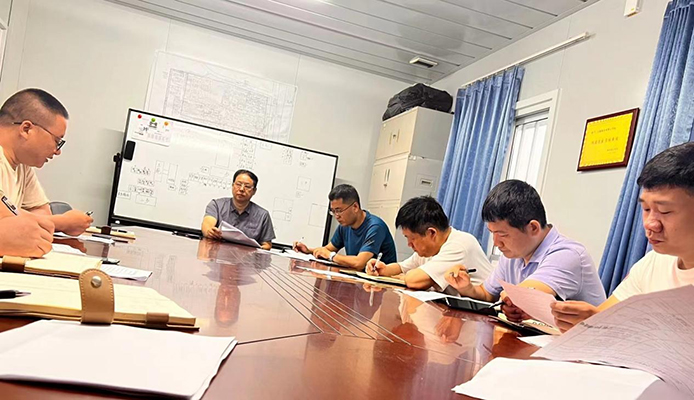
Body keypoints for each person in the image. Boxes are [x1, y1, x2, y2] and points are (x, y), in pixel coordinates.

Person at [552, 142, 694, 332]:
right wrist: (585, 323)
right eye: (646, 209)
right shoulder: (653, 262)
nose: (650, 224)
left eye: (665, 211)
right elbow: (604, 316)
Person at [445, 180, 606, 322]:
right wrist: (466, 287)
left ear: (533, 228)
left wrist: (511, 299)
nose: (496, 243)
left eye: (503, 234)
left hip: (582, 344)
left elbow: (525, 295)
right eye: (492, 233)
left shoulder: (568, 254)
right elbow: (487, 295)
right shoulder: (513, 254)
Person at [0, 89, 93, 235]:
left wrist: (25, 219)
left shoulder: (22, 166)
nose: (57, 151)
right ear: (26, 129)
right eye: (57, 141)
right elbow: (6, 220)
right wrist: (64, 222)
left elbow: (42, 212)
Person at [365, 196, 493, 293]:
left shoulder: (459, 245)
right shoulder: (429, 249)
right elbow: (403, 267)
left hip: (481, 315)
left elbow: (414, 281)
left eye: (412, 239)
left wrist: (405, 277)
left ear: (431, 233)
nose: (409, 244)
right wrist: (382, 269)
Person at [293, 184, 396, 270]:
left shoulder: (375, 227)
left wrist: (331, 255)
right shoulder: (345, 225)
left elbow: (359, 263)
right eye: (333, 211)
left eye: (339, 210)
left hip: (381, 284)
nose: (336, 216)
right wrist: (308, 250)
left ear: (355, 207)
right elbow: (328, 249)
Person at [202, 169, 275, 250]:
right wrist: (210, 232)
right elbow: (207, 226)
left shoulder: (263, 215)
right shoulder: (216, 205)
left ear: (254, 191)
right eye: (238, 184)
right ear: (233, 186)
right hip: (217, 254)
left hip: (247, 256)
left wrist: (256, 251)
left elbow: (267, 244)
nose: (241, 189)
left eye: (247, 186)